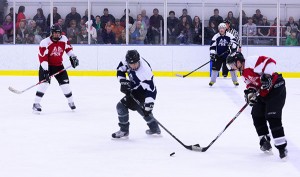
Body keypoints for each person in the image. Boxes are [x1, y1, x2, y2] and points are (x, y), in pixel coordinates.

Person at [226, 52, 288, 160]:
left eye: (232, 64)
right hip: (264, 92)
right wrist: (250, 93)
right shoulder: (243, 73)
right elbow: (251, 84)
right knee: (256, 114)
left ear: (239, 61)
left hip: (276, 88)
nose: (232, 67)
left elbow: (270, 62)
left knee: (272, 116)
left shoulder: (251, 61)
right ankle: (265, 141)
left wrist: (267, 76)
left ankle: (282, 148)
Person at [112, 50, 160, 138]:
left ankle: (124, 130)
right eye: (131, 64)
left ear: (138, 61)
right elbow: (120, 70)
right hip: (135, 87)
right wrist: (123, 81)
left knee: (122, 106)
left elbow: (152, 89)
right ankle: (154, 127)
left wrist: (149, 104)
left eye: (135, 63)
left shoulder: (145, 72)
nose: (133, 66)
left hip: (144, 90)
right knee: (141, 108)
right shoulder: (125, 61)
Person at [32, 24, 79, 113]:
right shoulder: (44, 42)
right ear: (51, 33)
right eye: (55, 33)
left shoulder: (64, 39)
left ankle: (71, 102)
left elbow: (68, 49)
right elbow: (43, 57)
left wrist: (73, 57)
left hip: (59, 66)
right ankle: (36, 103)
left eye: (58, 33)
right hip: (46, 66)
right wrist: (46, 70)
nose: (57, 35)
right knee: (44, 84)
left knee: (65, 85)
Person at [209, 22, 238, 86]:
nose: (221, 29)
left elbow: (235, 44)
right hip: (218, 55)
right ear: (218, 29)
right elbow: (212, 46)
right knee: (215, 68)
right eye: (220, 28)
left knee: (232, 68)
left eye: (223, 28)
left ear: (225, 29)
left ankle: (235, 81)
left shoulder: (230, 35)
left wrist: (232, 45)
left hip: (228, 56)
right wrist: (212, 54)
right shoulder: (216, 36)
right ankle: (212, 81)